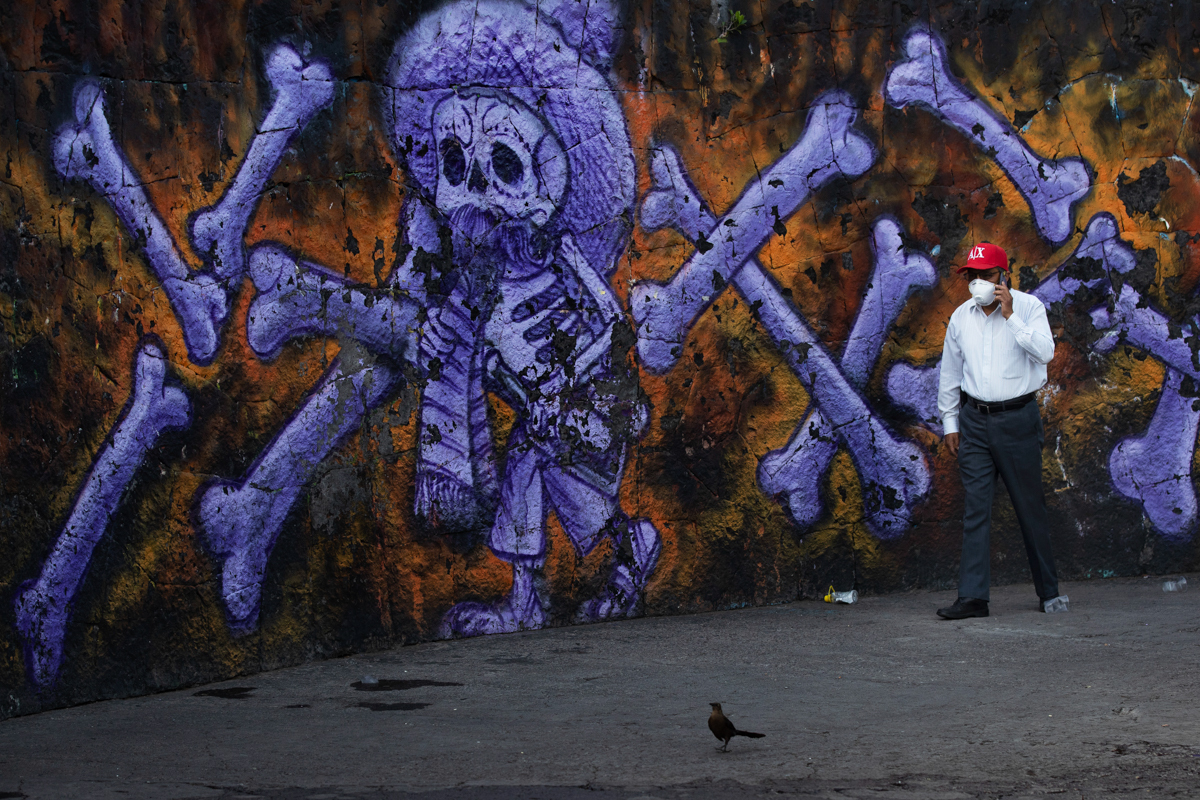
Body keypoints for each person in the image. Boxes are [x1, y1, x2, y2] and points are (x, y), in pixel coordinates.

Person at [936, 242, 1068, 619]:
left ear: (1003, 277)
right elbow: (950, 371)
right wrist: (950, 422)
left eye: (987, 276)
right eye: (973, 277)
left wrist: (1011, 316)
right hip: (974, 422)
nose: (978, 283)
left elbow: (1045, 353)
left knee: (1030, 507)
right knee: (975, 509)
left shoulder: (1029, 308)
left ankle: (1049, 592)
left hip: (1018, 420)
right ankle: (973, 598)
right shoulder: (961, 317)